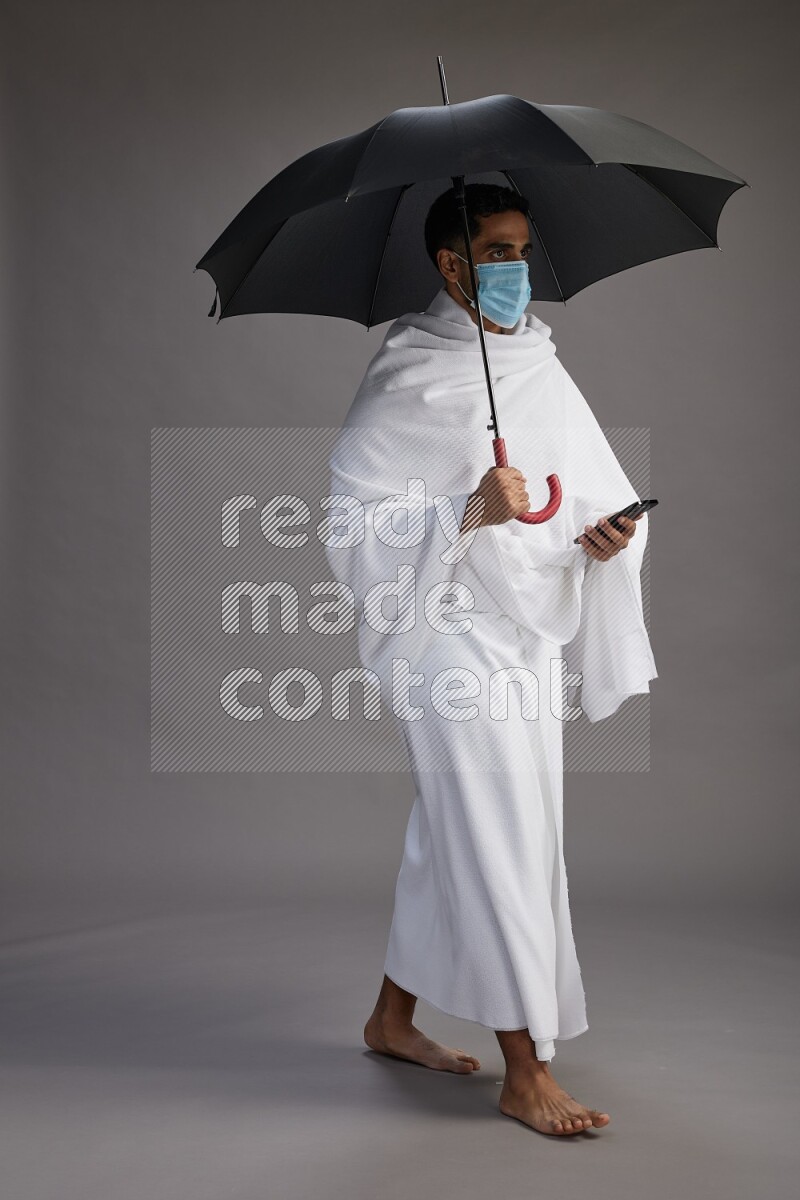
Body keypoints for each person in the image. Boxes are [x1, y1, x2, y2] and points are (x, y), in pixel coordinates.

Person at [324, 183, 657, 1136]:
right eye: (498, 253)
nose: (517, 270)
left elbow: (591, 493)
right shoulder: (407, 376)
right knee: (501, 833)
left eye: (522, 249)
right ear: (450, 265)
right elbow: (351, 530)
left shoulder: (541, 367)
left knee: (461, 834)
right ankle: (526, 1066)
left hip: (520, 637)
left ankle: (391, 1019)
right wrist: (469, 507)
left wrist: (602, 540)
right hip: (443, 643)